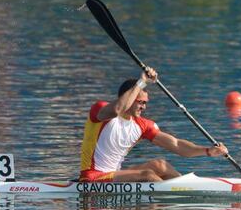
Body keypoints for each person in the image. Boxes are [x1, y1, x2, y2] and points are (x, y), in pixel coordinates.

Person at [79, 67, 228, 182]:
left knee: (160, 165)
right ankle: (176, 195)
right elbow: (118, 109)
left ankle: (187, 189)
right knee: (148, 175)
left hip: (113, 176)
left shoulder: (142, 125)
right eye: (140, 102)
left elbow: (176, 145)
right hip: (92, 178)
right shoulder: (100, 112)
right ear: (128, 98)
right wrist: (141, 81)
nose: (144, 107)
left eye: (145, 103)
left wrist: (207, 151)